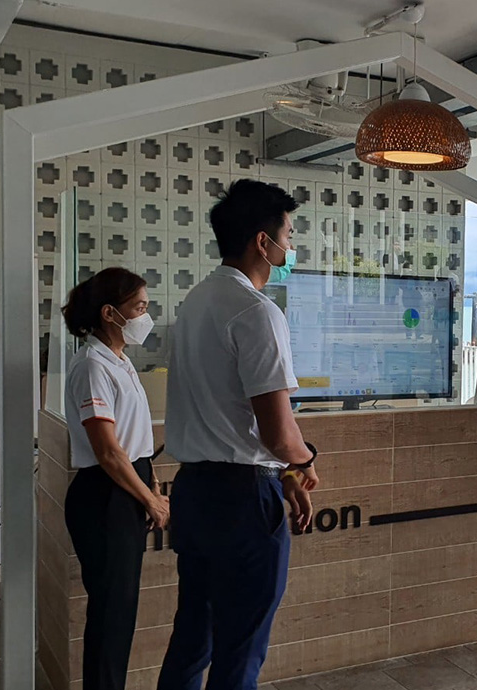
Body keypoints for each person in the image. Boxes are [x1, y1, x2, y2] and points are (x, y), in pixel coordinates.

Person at [157, 179, 319, 690]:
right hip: (244, 504)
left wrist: (283, 469)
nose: (290, 248)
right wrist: (303, 460)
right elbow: (278, 433)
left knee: (193, 640)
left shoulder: (196, 301)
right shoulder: (258, 312)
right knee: (240, 654)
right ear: (261, 242)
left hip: (195, 491)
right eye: (288, 236)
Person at [61, 267, 170, 690]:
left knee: (120, 612)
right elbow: (107, 451)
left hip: (127, 487)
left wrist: (152, 484)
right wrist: (151, 500)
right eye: (139, 307)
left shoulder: (120, 362)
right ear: (110, 313)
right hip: (104, 496)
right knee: (110, 615)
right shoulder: (92, 366)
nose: (146, 316)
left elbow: (134, 438)